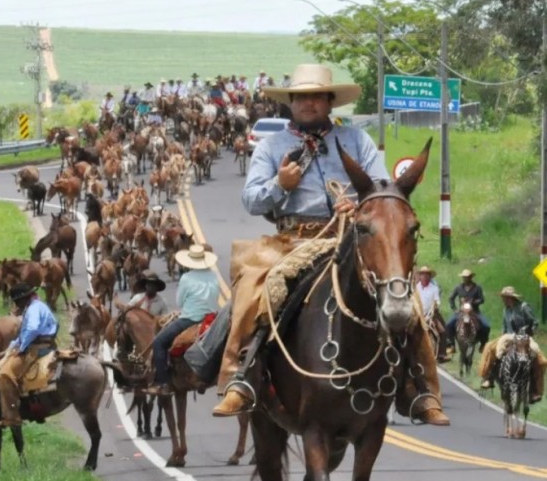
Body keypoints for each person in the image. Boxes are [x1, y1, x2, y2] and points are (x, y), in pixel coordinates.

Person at [212, 63, 449, 425]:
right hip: (291, 240)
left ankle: (421, 389)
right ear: (291, 102)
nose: (308, 103)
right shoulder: (272, 147)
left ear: (329, 102)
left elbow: (384, 190)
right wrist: (280, 185)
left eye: (316, 97)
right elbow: (251, 201)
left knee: (404, 296)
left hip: (350, 237)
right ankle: (238, 377)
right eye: (301, 97)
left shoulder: (356, 140)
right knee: (254, 290)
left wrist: (358, 205)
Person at [148, 245, 220, 396]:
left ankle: (163, 383)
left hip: (190, 319)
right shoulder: (214, 276)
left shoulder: (186, 278)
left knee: (159, 342)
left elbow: (180, 302)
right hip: (212, 320)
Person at [0, 283, 59, 427]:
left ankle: (12, 416)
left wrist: (22, 348)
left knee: (4, 373)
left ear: (23, 299)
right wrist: (8, 350)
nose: (17, 305)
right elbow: (22, 336)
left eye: (18, 302)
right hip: (42, 344)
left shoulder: (33, 309)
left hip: (38, 348)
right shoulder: (37, 306)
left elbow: (32, 329)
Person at [479, 286, 545, 402]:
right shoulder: (506, 310)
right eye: (503, 298)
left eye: (506, 298)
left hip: (524, 336)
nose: (504, 300)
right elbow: (504, 326)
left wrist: (529, 332)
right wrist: (503, 336)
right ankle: (489, 377)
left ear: (512, 298)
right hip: (509, 336)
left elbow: (534, 322)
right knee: (490, 346)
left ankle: (535, 391)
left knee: (539, 358)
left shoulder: (523, 307)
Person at [446, 269, 490, 352]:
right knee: (448, 324)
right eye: (464, 277)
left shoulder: (477, 287)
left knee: (486, 325)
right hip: (461, 311)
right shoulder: (458, 287)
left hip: (474, 311)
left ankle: (483, 344)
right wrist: (454, 309)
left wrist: (474, 301)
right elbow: (451, 298)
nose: (466, 279)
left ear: (471, 277)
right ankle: (451, 345)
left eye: (467, 277)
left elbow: (482, 299)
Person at [415, 266, 450, 363]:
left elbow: (437, 300)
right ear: (420, 276)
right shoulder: (416, 288)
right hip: (418, 313)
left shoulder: (434, 288)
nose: (425, 276)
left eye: (427, 274)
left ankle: (442, 354)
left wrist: (435, 306)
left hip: (431, 313)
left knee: (443, 330)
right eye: (423, 274)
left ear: (430, 277)